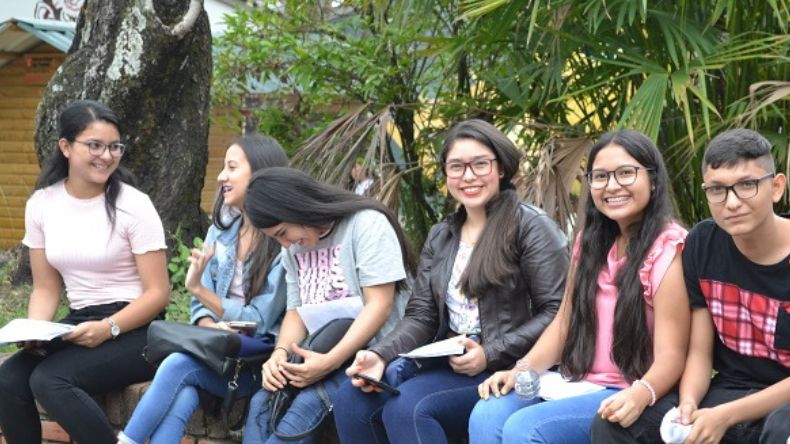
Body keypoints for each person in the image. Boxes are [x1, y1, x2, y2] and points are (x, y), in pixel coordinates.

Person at [333, 119, 570, 444]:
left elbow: (557, 311)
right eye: (457, 167)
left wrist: (489, 353)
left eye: (480, 164)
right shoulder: (442, 235)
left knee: (409, 408)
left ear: (501, 168)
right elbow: (422, 315)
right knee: (351, 397)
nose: (468, 176)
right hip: (453, 363)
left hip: (514, 367)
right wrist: (380, 354)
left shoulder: (531, 227)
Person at [470, 129, 691, 444]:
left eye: (626, 173)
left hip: (629, 390)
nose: (611, 186)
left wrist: (641, 394)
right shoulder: (590, 242)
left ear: (653, 180)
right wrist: (522, 370)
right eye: (600, 176)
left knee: (525, 429)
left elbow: (673, 354)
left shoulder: (669, 248)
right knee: (488, 412)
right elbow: (564, 322)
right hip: (576, 382)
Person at [590, 128, 790, 444]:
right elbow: (699, 351)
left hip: (781, 407)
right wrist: (688, 404)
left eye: (747, 185)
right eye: (717, 190)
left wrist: (726, 416)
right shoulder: (702, 243)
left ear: (776, 187)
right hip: (726, 393)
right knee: (614, 425)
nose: (732, 202)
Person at [0, 100, 170, 444]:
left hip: (138, 328)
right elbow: (46, 287)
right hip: (80, 322)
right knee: (8, 380)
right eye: (94, 145)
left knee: (50, 380)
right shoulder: (42, 204)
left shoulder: (133, 205)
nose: (106, 156)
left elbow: (158, 293)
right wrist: (35, 331)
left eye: (114, 147)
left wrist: (109, 328)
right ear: (65, 147)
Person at [117, 134, 290, 443]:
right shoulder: (220, 234)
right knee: (182, 393)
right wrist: (213, 330)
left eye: (232, 167)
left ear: (260, 173)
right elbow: (200, 311)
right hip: (217, 354)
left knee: (176, 365)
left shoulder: (283, 242)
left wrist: (198, 289)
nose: (222, 176)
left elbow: (260, 320)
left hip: (256, 365)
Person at [241, 167, 416, 444]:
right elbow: (295, 311)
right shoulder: (293, 250)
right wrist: (279, 355)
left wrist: (329, 362)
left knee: (306, 407)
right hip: (321, 354)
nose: (284, 244)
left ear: (297, 206)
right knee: (261, 403)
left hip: (375, 357)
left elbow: (379, 306)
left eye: (283, 232)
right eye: (276, 238)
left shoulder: (366, 224)